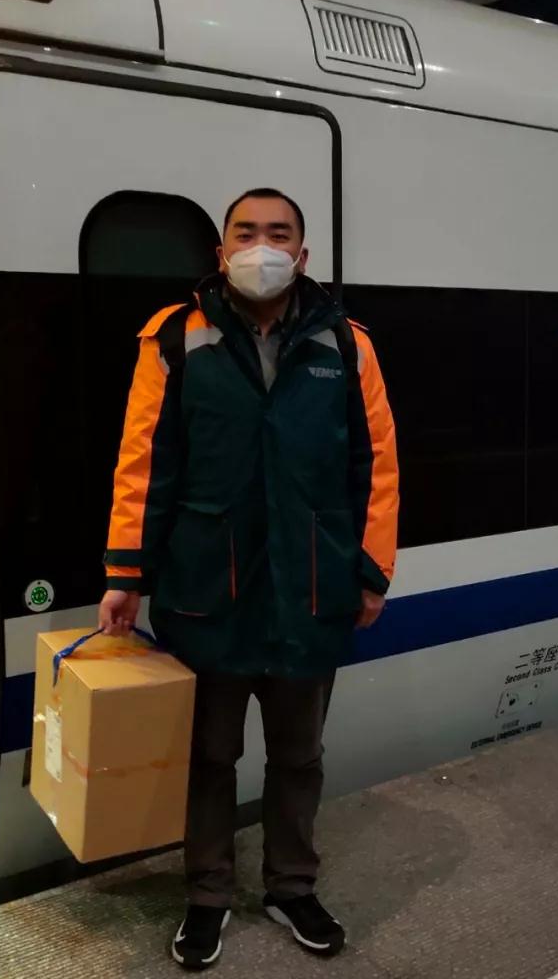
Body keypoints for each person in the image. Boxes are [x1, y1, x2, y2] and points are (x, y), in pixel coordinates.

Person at [99, 188, 399, 970]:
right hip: (209, 589)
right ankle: (207, 895)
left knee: (299, 756)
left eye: (278, 233)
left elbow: (376, 466)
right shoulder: (175, 337)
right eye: (246, 232)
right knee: (209, 757)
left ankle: (291, 886)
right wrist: (125, 572)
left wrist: (372, 572)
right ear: (221, 249)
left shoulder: (346, 343)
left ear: (302, 254)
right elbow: (145, 460)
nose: (260, 246)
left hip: (311, 589)